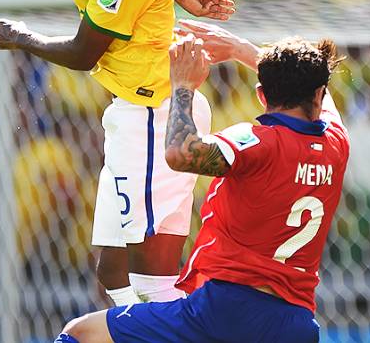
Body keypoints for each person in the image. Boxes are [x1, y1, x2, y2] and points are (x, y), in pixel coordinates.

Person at [0, 0, 235, 307]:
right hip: (129, 109)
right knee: (110, 273)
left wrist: (22, 37)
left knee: (151, 281)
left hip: (157, 112)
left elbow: (84, 54)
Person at [55, 23, 349, 342]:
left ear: (261, 95)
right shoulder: (337, 142)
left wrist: (183, 85)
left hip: (225, 312)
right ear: (318, 95)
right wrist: (241, 48)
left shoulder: (255, 142)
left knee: (81, 333)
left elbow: (181, 155)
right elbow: (321, 91)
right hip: (295, 323)